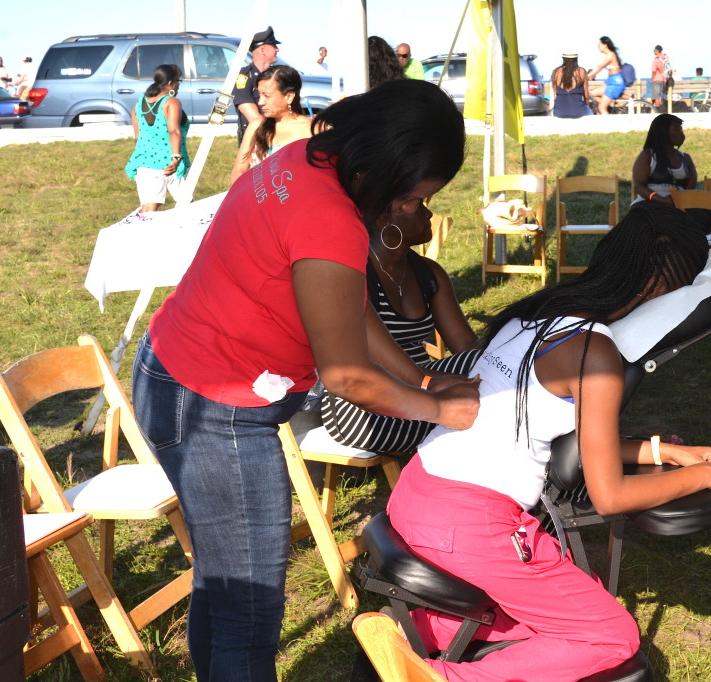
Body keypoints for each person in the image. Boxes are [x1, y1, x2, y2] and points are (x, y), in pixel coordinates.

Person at [131, 79, 480, 681]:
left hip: (184, 376)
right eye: (422, 192)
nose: (416, 205)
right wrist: (441, 411)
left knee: (224, 580)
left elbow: (349, 310)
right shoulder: (330, 218)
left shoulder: (308, 159)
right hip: (212, 402)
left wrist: (421, 381)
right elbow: (345, 376)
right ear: (391, 169)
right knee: (248, 604)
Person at [386, 202, 711, 682]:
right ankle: (436, 679)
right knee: (611, 636)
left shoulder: (535, 314)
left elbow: (547, 431)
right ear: (658, 287)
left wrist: (665, 451)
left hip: (418, 495)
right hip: (467, 523)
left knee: (576, 597)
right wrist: (704, 475)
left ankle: (417, 636)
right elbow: (610, 495)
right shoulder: (595, 353)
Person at [321, 200, 480, 454]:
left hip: (423, 388)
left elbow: (468, 346)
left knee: (493, 369)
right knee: (489, 389)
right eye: (418, 206)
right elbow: (385, 368)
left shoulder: (429, 273)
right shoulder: (354, 275)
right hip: (365, 408)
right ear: (385, 219)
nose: (429, 213)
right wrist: (458, 382)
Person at [124, 64, 190, 213]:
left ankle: (136, 235)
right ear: (170, 83)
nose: (179, 85)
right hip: (171, 163)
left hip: (145, 161)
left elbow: (138, 136)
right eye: (178, 81)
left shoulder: (139, 103)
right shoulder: (171, 102)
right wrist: (175, 158)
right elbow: (174, 131)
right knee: (187, 205)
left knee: (148, 209)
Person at [230, 65, 311, 185]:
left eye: (267, 96)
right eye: (259, 95)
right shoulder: (256, 126)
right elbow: (239, 171)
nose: (260, 102)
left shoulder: (308, 131)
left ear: (289, 96)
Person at [232, 26, 281, 144]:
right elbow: (254, 118)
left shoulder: (278, 75)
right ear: (263, 50)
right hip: (257, 141)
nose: (277, 49)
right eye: (274, 46)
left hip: (279, 139)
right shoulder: (244, 77)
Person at [587, 37, 625, 115]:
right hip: (610, 82)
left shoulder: (611, 55)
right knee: (589, 93)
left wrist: (586, 77)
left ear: (605, 45)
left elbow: (599, 67)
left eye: (599, 45)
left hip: (615, 84)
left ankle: (610, 126)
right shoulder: (610, 55)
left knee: (601, 108)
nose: (598, 47)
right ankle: (608, 108)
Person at [550, 54, 595, 119]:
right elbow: (586, 96)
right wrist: (587, 107)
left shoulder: (556, 72)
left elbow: (555, 94)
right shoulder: (581, 71)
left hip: (559, 111)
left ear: (563, 59)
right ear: (576, 60)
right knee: (591, 113)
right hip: (578, 111)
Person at [650, 45, 669, 109]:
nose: (653, 52)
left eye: (654, 50)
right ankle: (663, 110)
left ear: (657, 51)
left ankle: (657, 111)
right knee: (662, 96)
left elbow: (653, 70)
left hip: (657, 79)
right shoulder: (665, 58)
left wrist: (652, 79)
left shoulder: (656, 59)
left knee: (656, 97)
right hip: (665, 79)